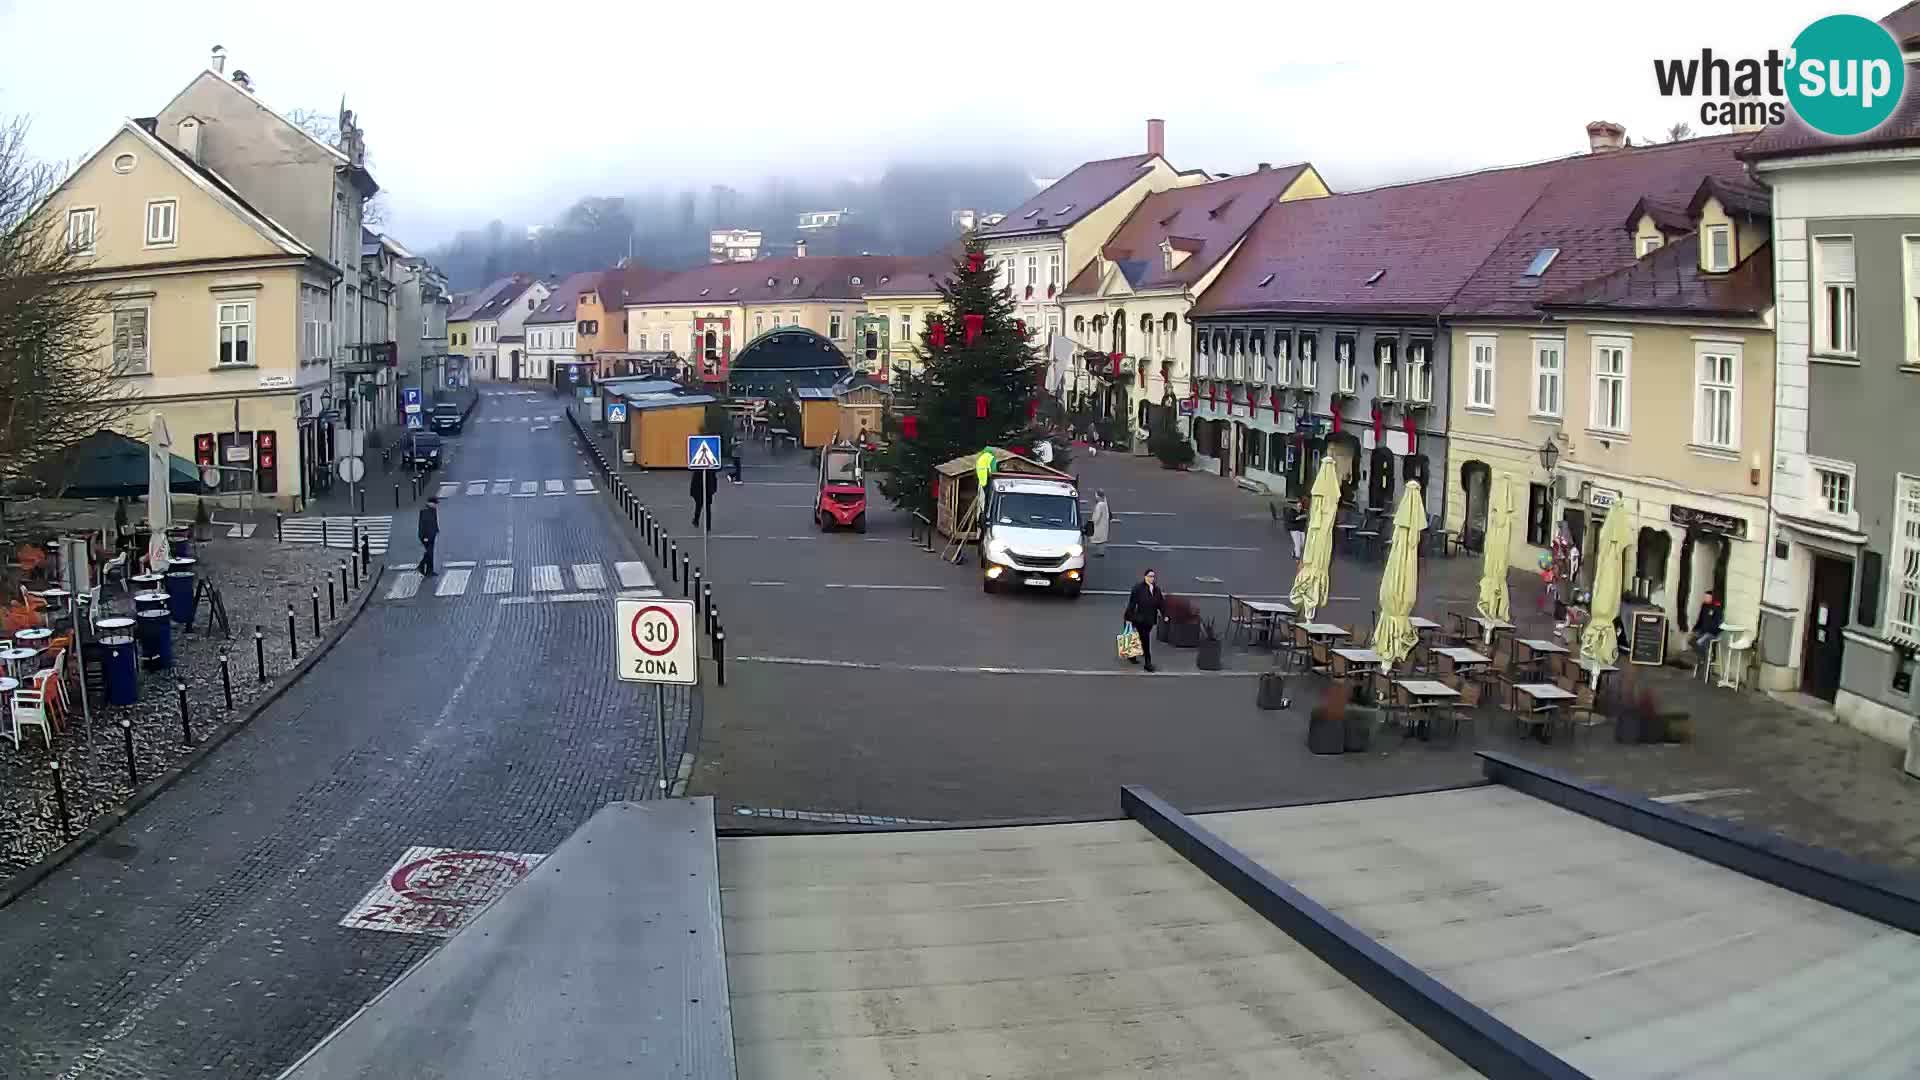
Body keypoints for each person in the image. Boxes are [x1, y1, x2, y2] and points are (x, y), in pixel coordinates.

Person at [1124, 568, 1165, 673]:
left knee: (1139, 637)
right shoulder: (1138, 588)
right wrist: (1128, 617)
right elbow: (1132, 604)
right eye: (1150, 576)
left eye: (1153, 576)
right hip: (1139, 619)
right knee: (1145, 640)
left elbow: (1161, 603)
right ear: (1145, 577)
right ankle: (1148, 663)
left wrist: (1165, 615)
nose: (1152, 578)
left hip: (1150, 619)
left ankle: (1132, 656)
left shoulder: (1156, 589)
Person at [1690, 590, 1725, 660]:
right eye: (1705, 597)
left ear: (1712, 598)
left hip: (1712, 633)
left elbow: (1718, 624)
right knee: (1691, 641)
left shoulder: (1717, 607)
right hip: (1703, 631)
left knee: (1699, 643)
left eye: (1707, 597)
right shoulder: (1704, 606)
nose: (1705, 598)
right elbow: (1700, 619)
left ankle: (1707, 657)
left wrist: (1710, 631)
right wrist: (1694, 629)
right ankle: (1702, 656)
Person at [416, 496, 440, 576]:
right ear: (430, 503)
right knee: (429, 553)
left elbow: (434, 521)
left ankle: (429, 570)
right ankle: (421, 566)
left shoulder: (433, 510)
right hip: (426, 536)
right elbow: (422, 525)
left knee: (430, 553)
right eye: (435, 504)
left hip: (432, 534)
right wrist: (424, 537)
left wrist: (437, 529)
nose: (436, 505)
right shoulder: (425, 511)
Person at [1089, 490, 1111, 557]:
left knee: (1099, 539)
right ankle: (1101, 552)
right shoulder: (1104, 504)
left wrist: (1093, 522)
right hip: (1104, 524)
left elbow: (1097, 516)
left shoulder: (1099, 505)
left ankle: (1100, 553)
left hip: (1099, 524)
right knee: (1102, 539)